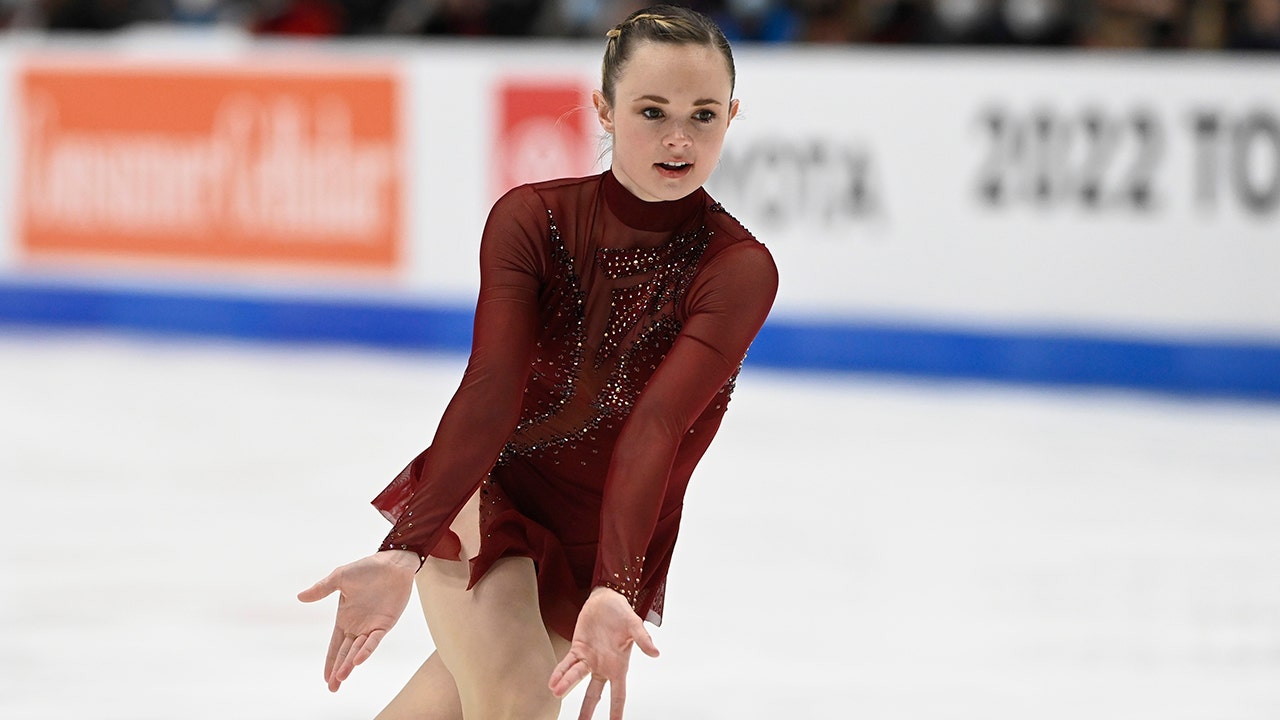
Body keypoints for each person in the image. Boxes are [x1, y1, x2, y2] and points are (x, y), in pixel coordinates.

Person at [298, 5, 778, 719]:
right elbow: (492, 385)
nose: (679, 139)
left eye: (703, 116)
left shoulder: (735, 269)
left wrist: (615, 582)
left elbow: (657, 423)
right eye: (652, 111)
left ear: (731, 116)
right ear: (604, 110)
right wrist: (407, 545)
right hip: (491, 497)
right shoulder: (534, 220)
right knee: (519, 704)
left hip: (603, 540)